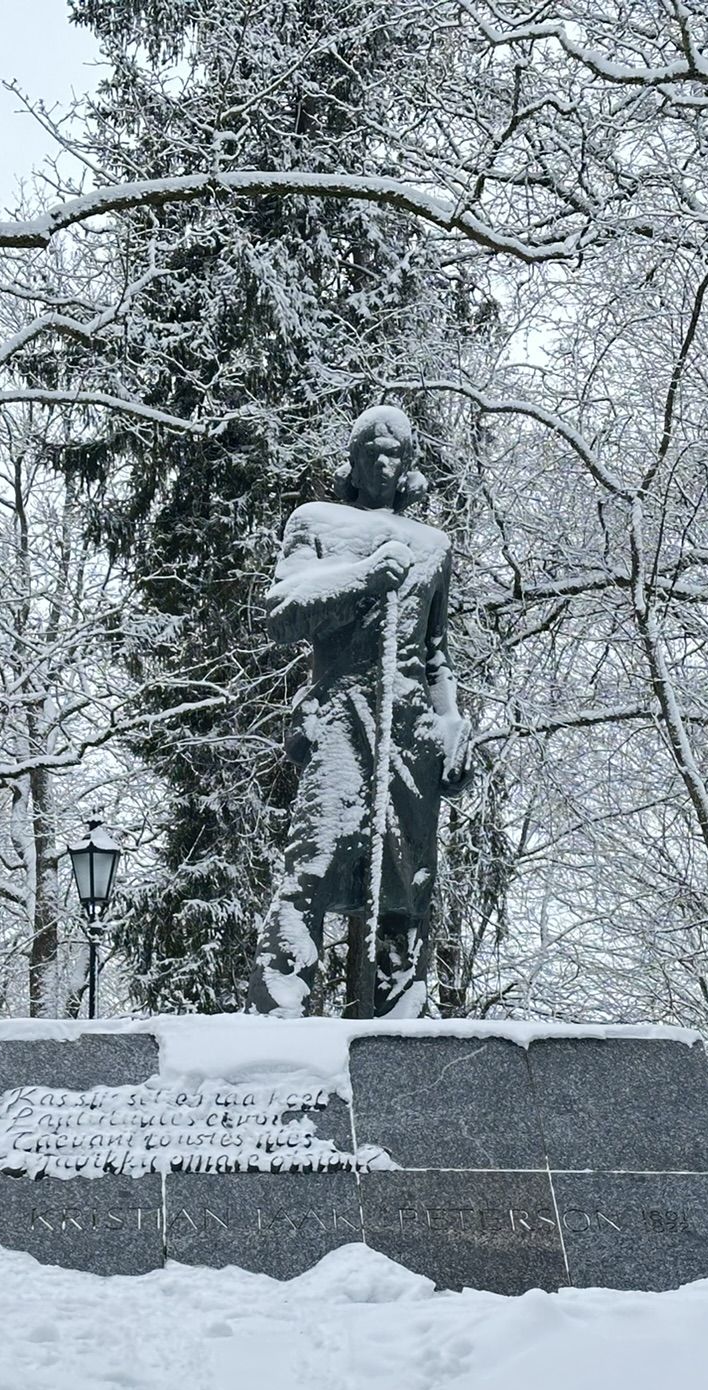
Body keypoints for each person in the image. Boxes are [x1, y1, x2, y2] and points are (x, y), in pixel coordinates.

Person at [248, 405, 471, 1018]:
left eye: (395, 452)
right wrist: (364, 577)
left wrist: (450, 722)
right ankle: (281, 1000)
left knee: (406, 877)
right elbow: (283, 610)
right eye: (370, 450)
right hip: (341, 711)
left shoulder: (434, 545)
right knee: (316, 860)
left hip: (410, 724)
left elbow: (435, 655)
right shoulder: (315, 522)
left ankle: (397, 1008)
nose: (382, 462)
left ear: (410, 464)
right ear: (352, 459)